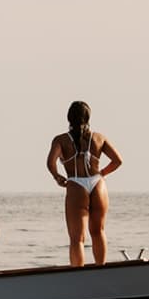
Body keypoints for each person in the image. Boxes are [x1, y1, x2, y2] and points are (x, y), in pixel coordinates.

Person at [46, 100, 123, 267]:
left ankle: (78, 275)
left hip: (76, 184)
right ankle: (100, 269)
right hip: (98, 184)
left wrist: (57, 177)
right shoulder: (99, 138)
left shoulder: (61, 140)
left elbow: (50, 162)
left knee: (77, 238)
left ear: (68, 118)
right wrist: (102, 173)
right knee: (98, 231)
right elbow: (118, 160)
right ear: (88, 117)